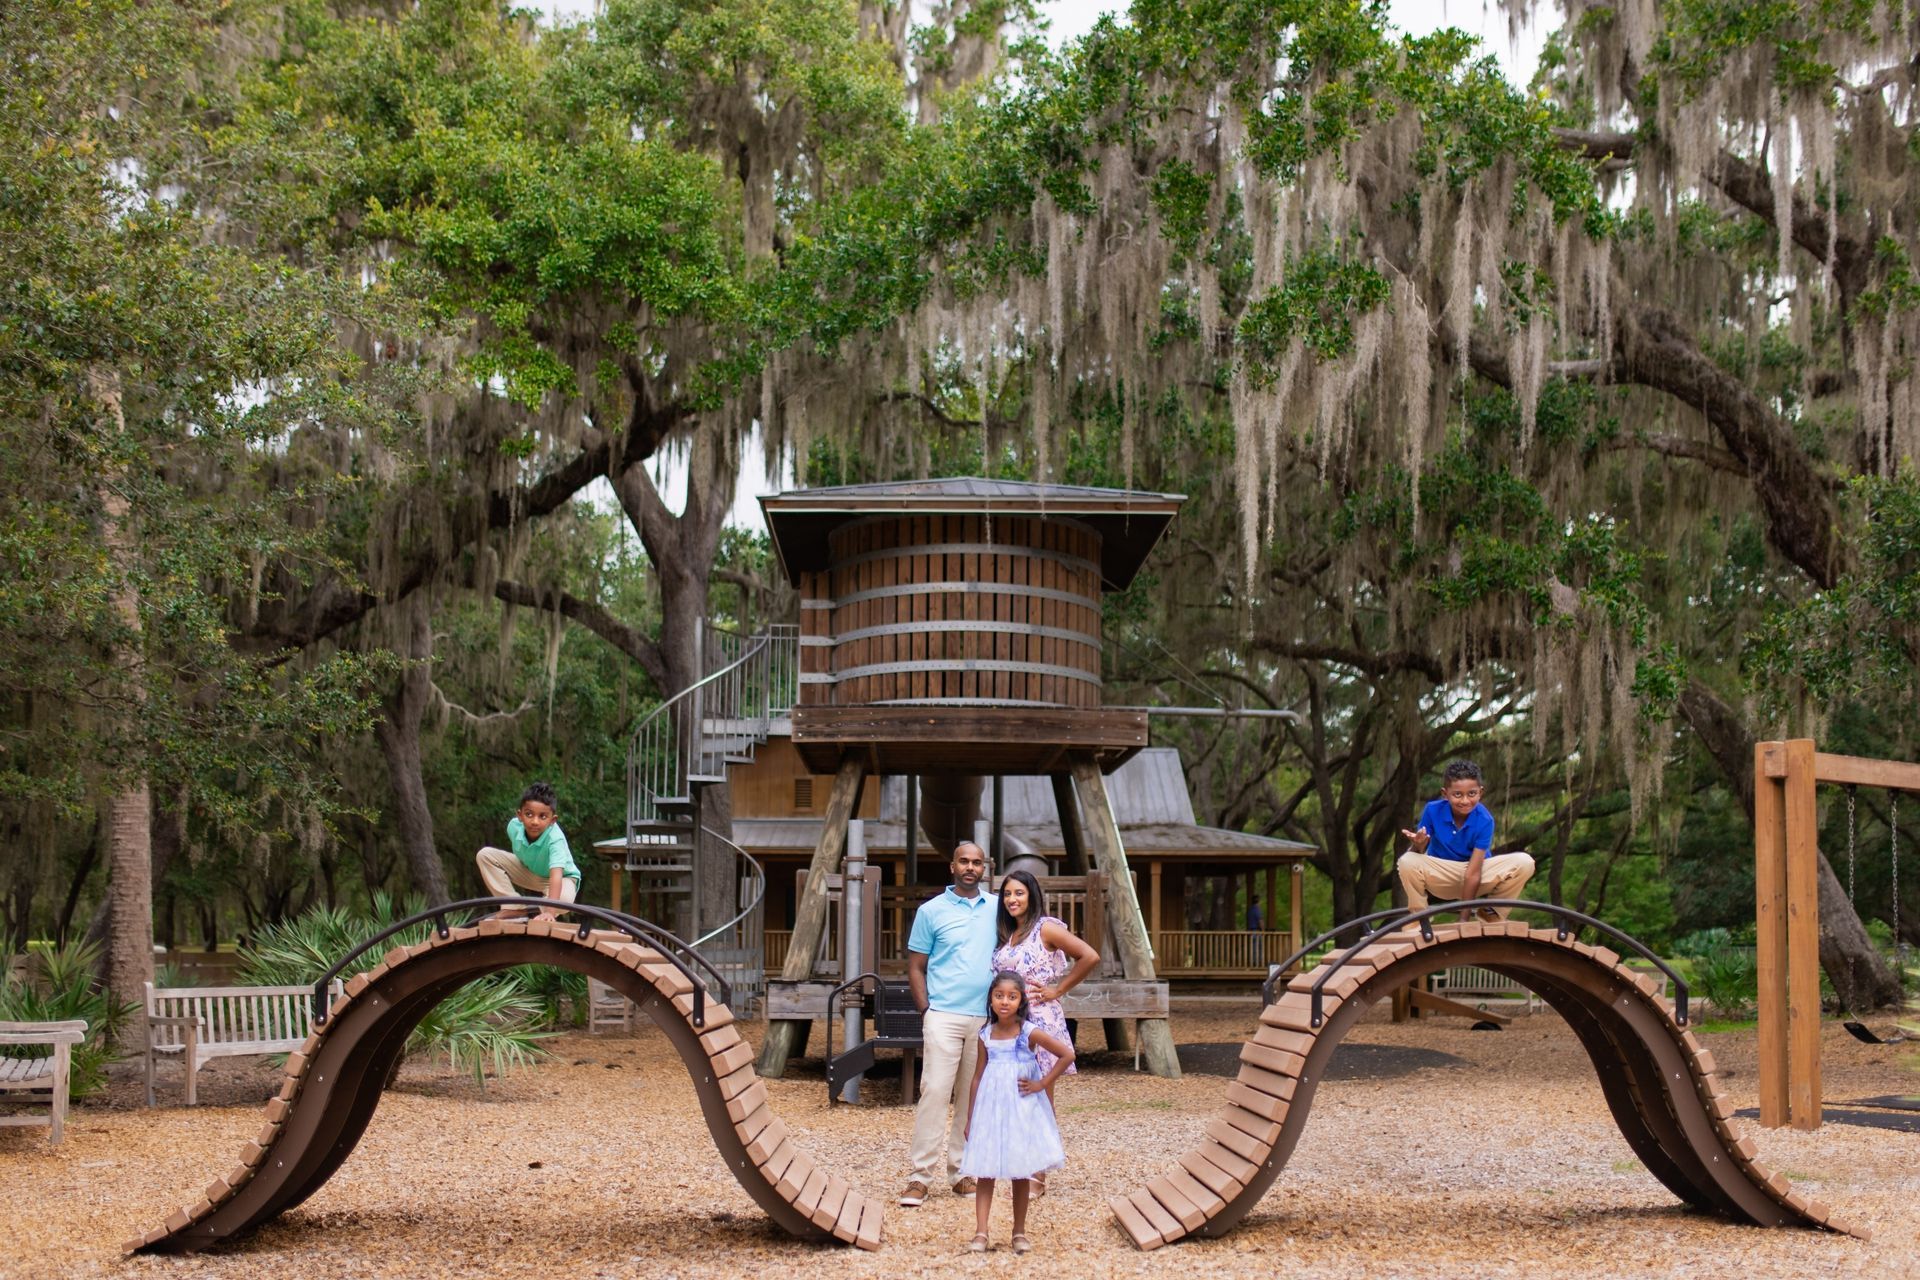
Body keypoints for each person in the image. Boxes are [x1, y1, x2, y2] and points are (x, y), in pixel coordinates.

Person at [900, 840, 998, 1208]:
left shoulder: (996, 908)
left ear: (984, 868)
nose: (971, 867)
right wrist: (927, 1010)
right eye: (964, 862)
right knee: (935, 1092)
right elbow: (916, 966)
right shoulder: (931, 911)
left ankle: (961, 1173)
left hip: (985, 1018)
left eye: (977, 862)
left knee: (972, 1098)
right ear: (952, 867)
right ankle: (919, 1177)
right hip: (943, 1016)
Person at [992, 869, 1097, 1196]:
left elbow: (1089, 956)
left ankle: (1039, 1173)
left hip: (1039, 1020)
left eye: (1019, 893)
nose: (1012, 899)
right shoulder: (1009, 934)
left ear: (1032, 896)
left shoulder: (1045, 928)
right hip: (1011, 1022)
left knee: (1039, 1095)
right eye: (1008, 894)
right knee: (1017, 1094)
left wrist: (1057, 989)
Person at [959, 971, 1072, 1254]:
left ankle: (1019, 1232)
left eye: (1012, 996)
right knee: (986, 1170)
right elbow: (976, 1077)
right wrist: (970, 1118)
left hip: (1021, 1108)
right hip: (991, 1107)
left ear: (1021, 1000)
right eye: (999, 996)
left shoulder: (1028, 1032)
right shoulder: (984, 1035)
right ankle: (981, 1232)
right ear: (991, 999)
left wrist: (1042, 1084)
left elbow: (1067, 1054)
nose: (1005, 1002)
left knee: (1020, 1170)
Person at [1396, 760, 1535, 921]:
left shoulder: (1485, 820)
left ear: (1480, 792)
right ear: (1445, 794)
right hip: (1442, 875)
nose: (1465, 801)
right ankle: (1419, 918)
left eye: (1471, 794)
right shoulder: (1433, 810)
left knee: (1525, 862)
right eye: (1457, 794)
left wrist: (1463, 919)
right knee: (1406, 860)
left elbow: (1473, 873)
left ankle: (1491, 913)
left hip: (1477, 874)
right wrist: (1418, 845)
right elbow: (1415, 859)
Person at [475, 781, 581, 921]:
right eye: (529, 814)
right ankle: (513, 906)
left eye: (542, 816)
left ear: (552, 820)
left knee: (564, 900)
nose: (535, 822)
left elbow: (556, 876)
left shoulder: (555, 839)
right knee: (485, 855)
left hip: (560, 879)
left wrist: (550, 911)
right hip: (530, 872)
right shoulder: (513, 828)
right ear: (520, 815)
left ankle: (540, 911)